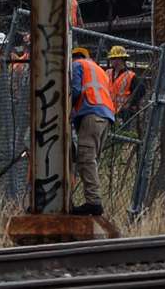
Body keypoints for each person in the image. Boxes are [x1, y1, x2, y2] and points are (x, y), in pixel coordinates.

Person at [71, 47, 115, 215]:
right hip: (105, 116)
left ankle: (93, 202)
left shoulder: (77, 65)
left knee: (86, 159)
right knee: (91, 159)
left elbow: (75, 91)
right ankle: (93, 200)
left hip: (91, 113)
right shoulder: (99, 70)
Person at [106, 45, 142, 123]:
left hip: (123, 113)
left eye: (116, 59)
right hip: (108, 109)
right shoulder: (107, 73)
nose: (113, 61)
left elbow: (140, 91)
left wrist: (130, 104)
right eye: (112, 59)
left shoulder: (130, 76)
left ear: (122, 59)